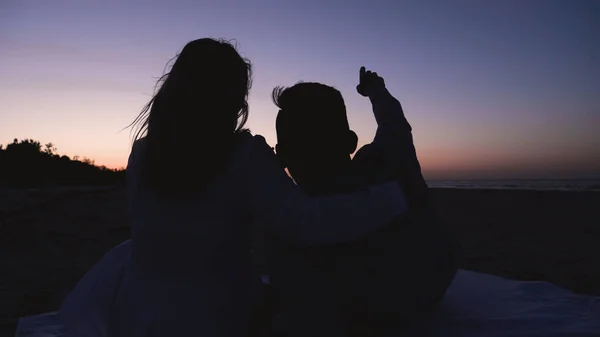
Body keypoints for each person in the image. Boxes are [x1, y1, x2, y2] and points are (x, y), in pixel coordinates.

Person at [75, 39, 409, 337]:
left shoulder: (142, 152)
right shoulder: (244, 155)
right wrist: (393, 197)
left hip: (138, 313)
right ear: (233, 99)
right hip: (216, 318)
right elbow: (306, 221)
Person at [262, 67, 459, 337]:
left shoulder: (300, 223)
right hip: (434, 281)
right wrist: (376, 91)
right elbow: (393, 123)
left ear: (283, 157)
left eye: (287, 150)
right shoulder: (390, 163)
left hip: (375, 309)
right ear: (351, 142)